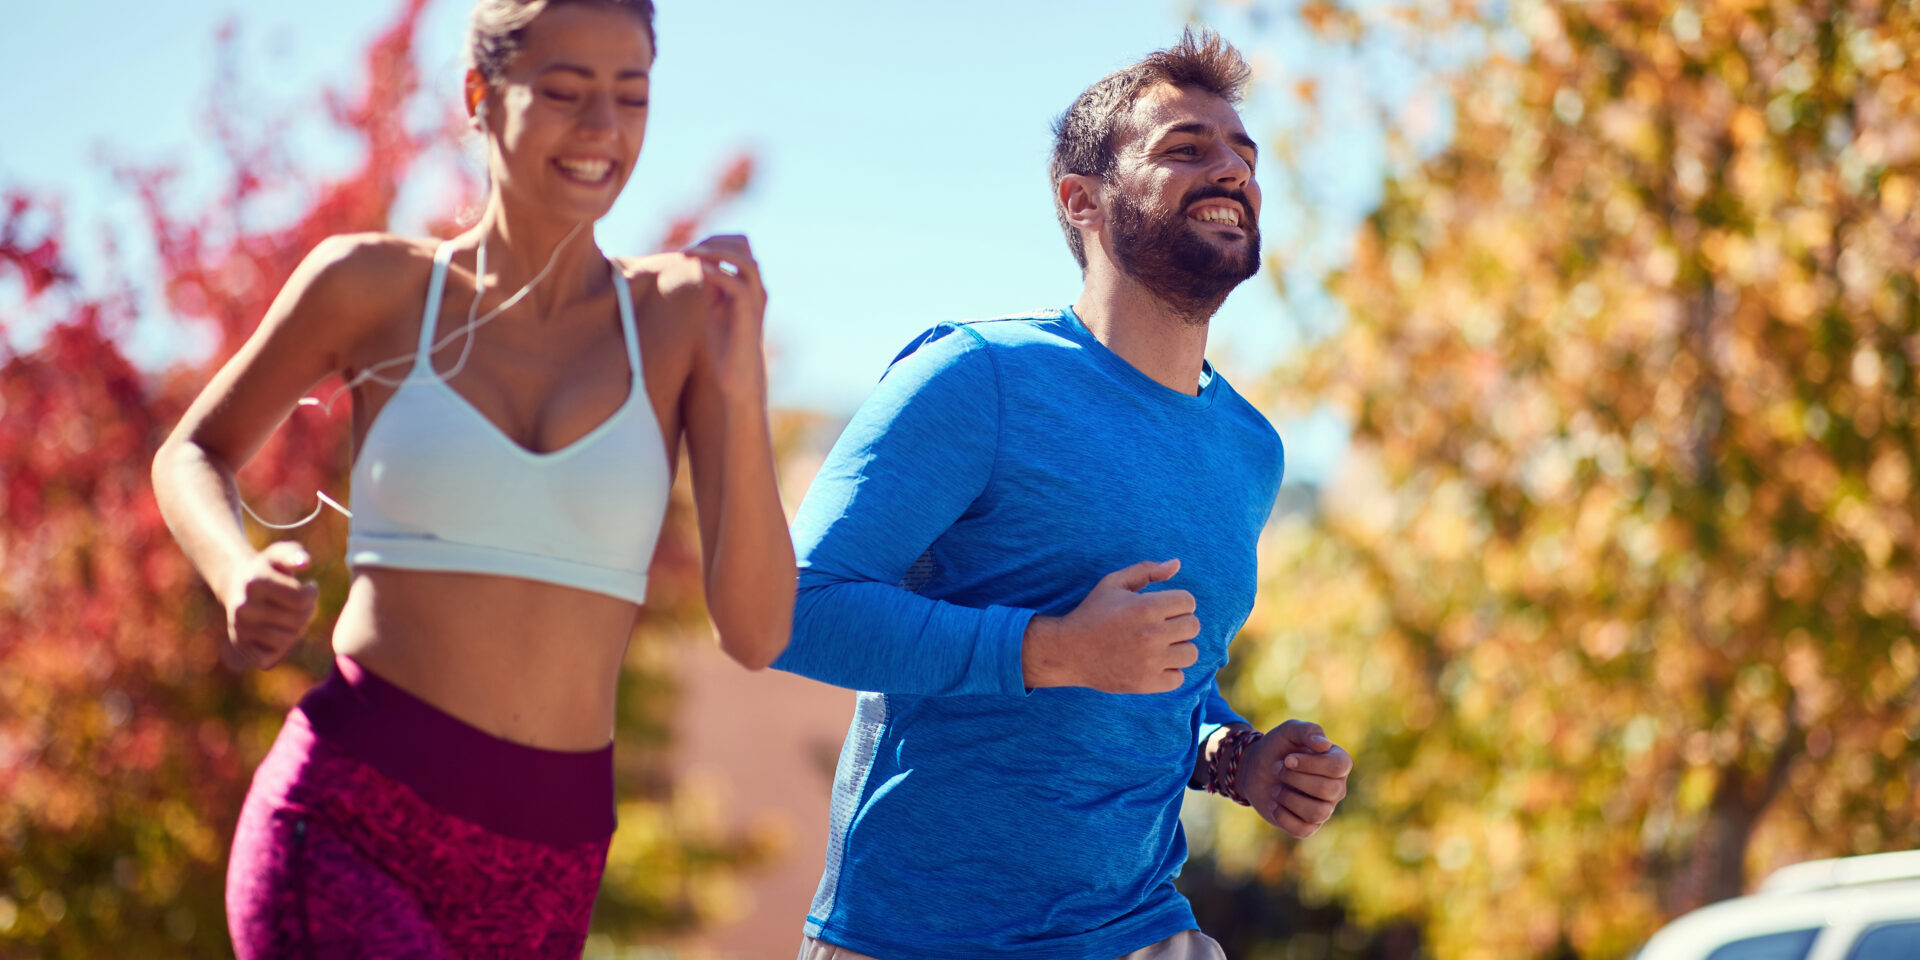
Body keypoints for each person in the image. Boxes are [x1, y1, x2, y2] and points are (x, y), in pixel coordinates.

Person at [150, 1, 793, 956]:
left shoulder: (685, 317)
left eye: (631, 96)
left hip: (552, 867)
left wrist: (741, 392)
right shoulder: (371, 287)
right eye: (566, 92)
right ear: (480, 97)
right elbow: (190, 452)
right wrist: (236, 572)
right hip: (348, 821)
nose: (602, 131)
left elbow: (755, 631)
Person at [771, 29, 1353, 960]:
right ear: (1081, 201)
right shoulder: (976, 377)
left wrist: (1238, 758)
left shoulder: (1250, 450)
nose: (1232, 170)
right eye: (1184, 149)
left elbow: (1166, 684)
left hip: (1138, 927)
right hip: (923, 937)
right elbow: (792, 609)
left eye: (1243, 152)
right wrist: (1049, 650)